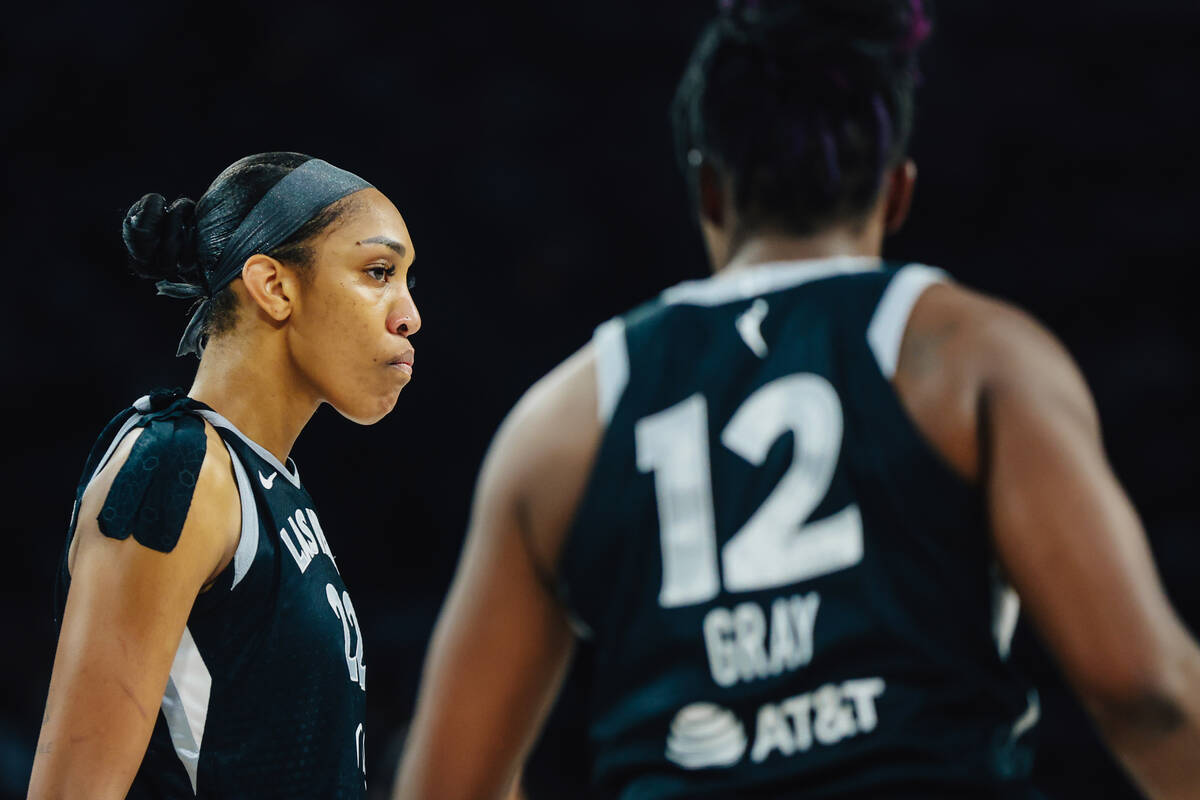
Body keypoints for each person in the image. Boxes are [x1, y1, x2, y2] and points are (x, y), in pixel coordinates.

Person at [393, 2, 1200, 798]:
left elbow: (444, 789)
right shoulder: (972, 358)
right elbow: (1146, 695)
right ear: (896, 193)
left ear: (708, 189)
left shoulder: (559, 427)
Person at [28, 152, 420, 799]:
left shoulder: (268, 485)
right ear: (274, 285)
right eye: (379, 272)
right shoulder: (175, 466)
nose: (409, 315)